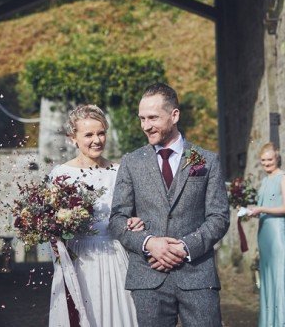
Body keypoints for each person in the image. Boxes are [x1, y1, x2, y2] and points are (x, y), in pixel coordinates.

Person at [109, 83, 230, 327]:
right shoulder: (131, 162)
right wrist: (149, 243)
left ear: (174, 115)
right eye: (142, 118)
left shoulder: (207, 160)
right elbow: (117, 220)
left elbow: (219, 217)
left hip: (197, 275)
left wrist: (185, 248)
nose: (145, 126)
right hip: (148, 277)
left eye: (152, 118)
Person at [49, 105, 139, 326]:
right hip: (79, 258)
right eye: (88, 135)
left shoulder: (120, 171)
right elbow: (51, 225)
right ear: (73, 139)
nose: (96, 140)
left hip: (115, 257)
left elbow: (133, 211)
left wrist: (136, 221)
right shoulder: (61, 175)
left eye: (101, 133)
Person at [245, 142, 285, 327]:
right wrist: (252, 211)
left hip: (278, 232)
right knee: (266, 276)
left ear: (277, 158)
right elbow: (263, 206)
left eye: (270, 159)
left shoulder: (284, 178)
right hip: (264, 232)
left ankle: (282, 322)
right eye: (263, 160)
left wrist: (261, 208)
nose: (267, 163)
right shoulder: (265, 180)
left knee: (279, 276)